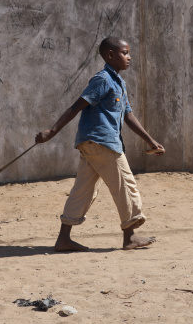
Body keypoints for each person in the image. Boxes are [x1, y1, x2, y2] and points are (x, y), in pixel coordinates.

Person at [35, 36, 164, 251]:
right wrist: (53, 131)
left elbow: (128, 116)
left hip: (92, 145)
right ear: (110, 55)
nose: (129, 57)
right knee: (126, 185)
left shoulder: (118, 83)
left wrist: (151, 141)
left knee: (83, 190)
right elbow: (77, 106)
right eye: (125, 53)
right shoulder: (103, 80)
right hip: (102, 142)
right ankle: (129, 237)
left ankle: (64, 239)